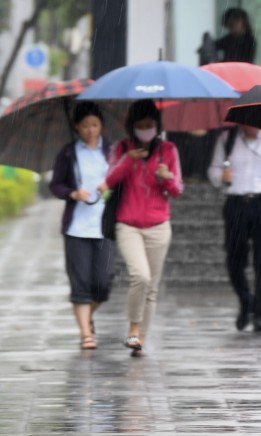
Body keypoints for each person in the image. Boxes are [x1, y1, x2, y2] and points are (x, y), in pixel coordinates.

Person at [101, 99, 183, 357]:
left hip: (159, 225)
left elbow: (177, 190)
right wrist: (128, 160)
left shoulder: (168, 150)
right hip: (128, 224)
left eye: (149, 125)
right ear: (131, 127)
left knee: (152, 287)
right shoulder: (122, 148)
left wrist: (167, 177)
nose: (145, 130)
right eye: (140, 125)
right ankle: (133, 328)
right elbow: (109, 180)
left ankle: (140, 340)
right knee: (141, 276)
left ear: (157, 125)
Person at [208, 124, 261, 333]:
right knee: (234, 259)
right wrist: (221, 176)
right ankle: (246, 300)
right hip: (236, 203)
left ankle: (260, 312)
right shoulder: (227, 139)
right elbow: (213, 170)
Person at [50, 101, 115, 350]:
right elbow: (55, 185)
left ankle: (87, 316)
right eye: (85, 125)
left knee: (103, 282)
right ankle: (86, 333)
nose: (90, 130)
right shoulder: (68, 153)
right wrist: (72, 193)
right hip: (77, 227)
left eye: (95, 125)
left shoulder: (111, 151)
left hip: (105, 224)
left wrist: (111, 185)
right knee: (80, 282)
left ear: (101, 126)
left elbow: (122, 178)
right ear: (76, 126)